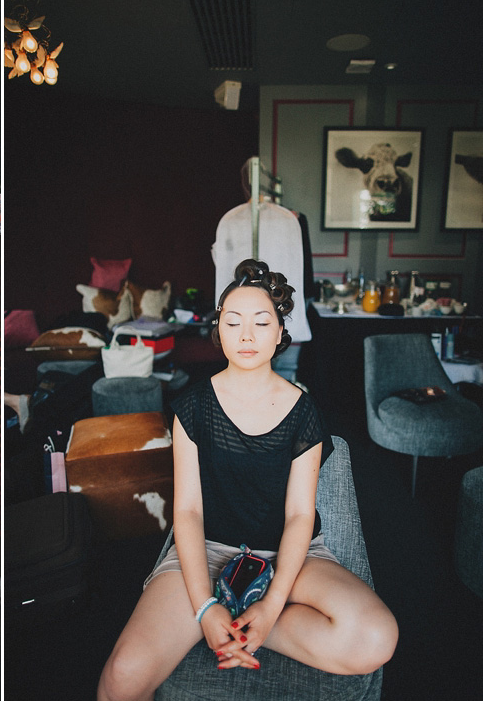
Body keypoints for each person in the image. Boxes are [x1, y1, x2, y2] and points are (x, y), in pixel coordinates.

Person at [97, 259, 397, 701]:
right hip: (208, 550)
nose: (247, 334)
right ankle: (218, 618)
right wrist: (203, 606)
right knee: (121, 678)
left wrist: (272, 606)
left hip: (291, 556)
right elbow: (189, 511)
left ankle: (244, 625)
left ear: (279, 333)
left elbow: (298, 516)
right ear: (219, 333)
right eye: (233, 322)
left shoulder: (304, 412)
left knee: (376, 637)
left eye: (262, 321)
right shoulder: (192, 408)